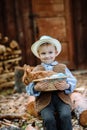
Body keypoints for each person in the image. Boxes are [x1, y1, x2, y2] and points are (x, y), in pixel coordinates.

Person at [26, 36, 77, 130]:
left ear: (56, 53)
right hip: (44, 101)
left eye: (50, 52)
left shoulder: (62, 67)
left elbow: (72, 80)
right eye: (43, 53)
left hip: (62, 99)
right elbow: (29, 86)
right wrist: (36, 88)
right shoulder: (37, 70)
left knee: (65, 115)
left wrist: (66, 85)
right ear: (39, 54)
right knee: (49, 119)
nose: (47, 56)